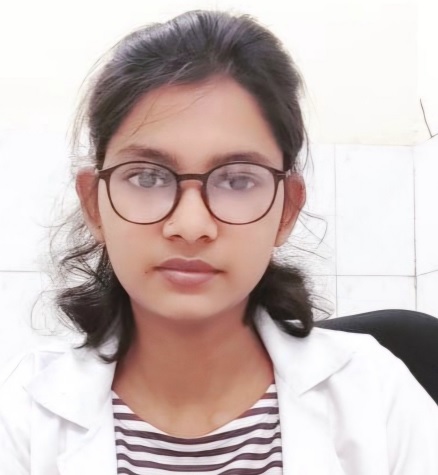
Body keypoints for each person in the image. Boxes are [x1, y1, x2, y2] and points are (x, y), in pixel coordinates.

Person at [1, 9, 437, 475]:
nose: (191, 225)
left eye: (236, 180)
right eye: (147, 177)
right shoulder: (25, 417)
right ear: (94, 204)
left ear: (286, 210)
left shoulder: (378, 397)